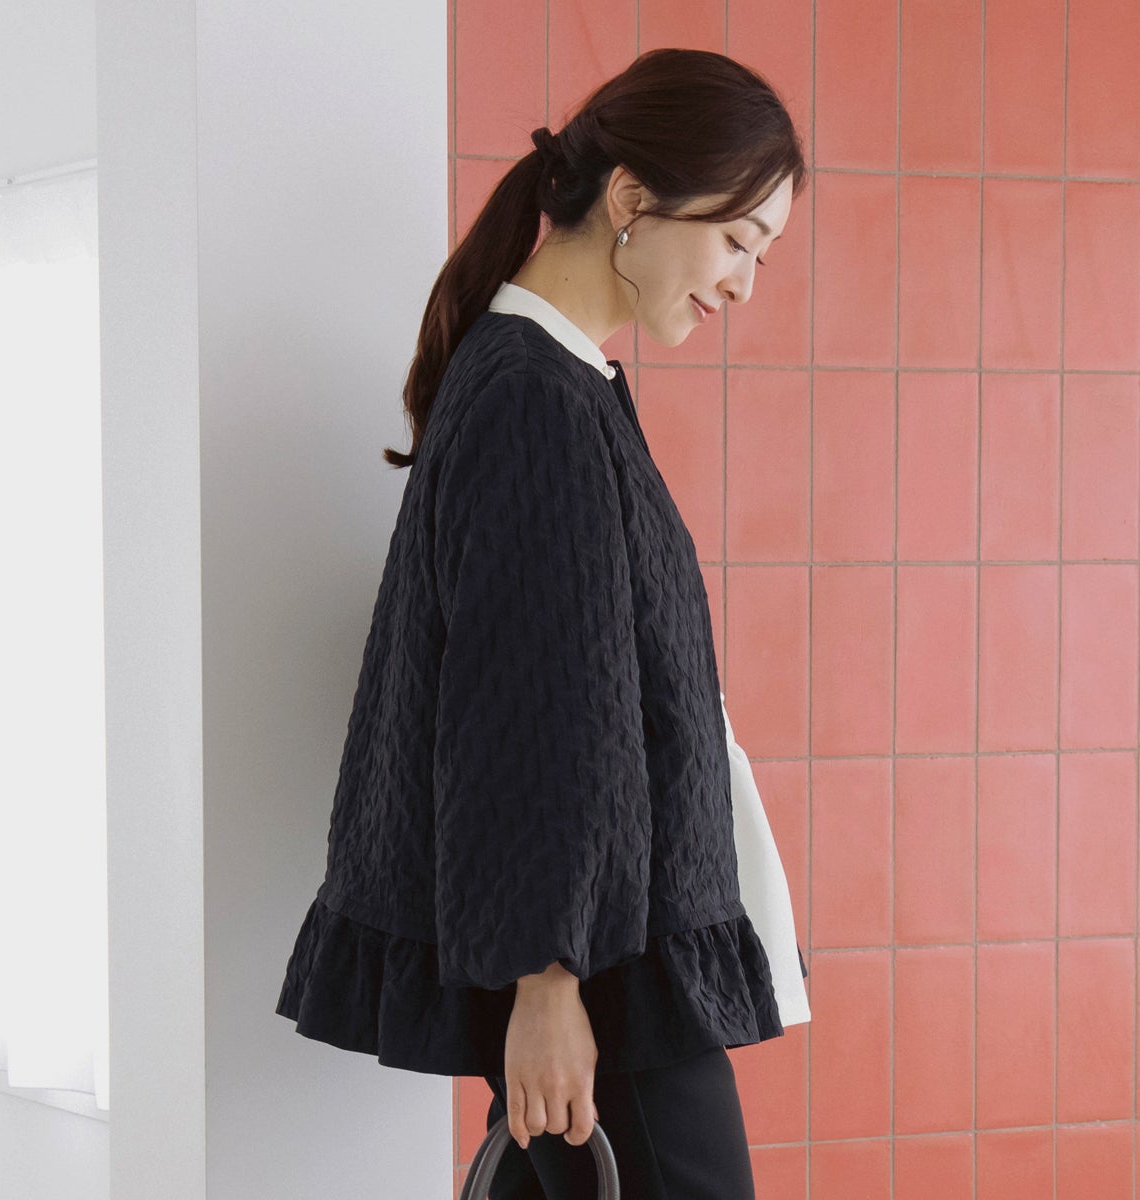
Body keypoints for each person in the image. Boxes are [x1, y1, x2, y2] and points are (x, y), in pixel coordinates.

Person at [275, 46, 810, 1199]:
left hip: (606, 950)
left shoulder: (555, 382)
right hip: (607, 970)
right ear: (632, 199)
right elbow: (532, 715)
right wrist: (548, 983)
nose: (742, 285)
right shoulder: (535, 398)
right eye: (736, 241)